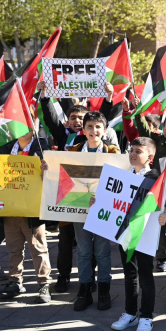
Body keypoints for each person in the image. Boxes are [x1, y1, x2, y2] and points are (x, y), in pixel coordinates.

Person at [60, 111, 118, 311]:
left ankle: (104, 290)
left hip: (104, 209)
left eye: (98, 127)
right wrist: (47, 168)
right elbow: (59, 176)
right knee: (84, 251)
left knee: (102, 251)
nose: (94, 131)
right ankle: (84, 290)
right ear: (83, 130)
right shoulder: (71, 151)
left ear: (105, 130)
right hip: (79, 206)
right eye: (90, 127)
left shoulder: (114, 153)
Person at [0, 131, 52, 303]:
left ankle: (44, 283)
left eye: (25, 124)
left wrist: (47, 168)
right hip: (12, 208)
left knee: (38, 248)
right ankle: (15, 280)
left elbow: (51, 173)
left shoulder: (41, 146)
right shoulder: (4, 148)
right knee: (13, 247)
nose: (21, 129)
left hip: (32, 210)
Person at [131, 94, 166, 272]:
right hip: (159, 189)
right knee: (159, 224)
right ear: (163, 127)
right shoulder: (156, 140)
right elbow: (142, 127)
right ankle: (161, 257)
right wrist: (137, 110)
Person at [110, 137, 160, 331]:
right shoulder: (124, 175)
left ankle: (146, 317)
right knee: (130, 274)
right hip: (125, 232)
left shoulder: (156, 178)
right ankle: (130, 313)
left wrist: (164, 214)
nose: (132, 154)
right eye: (131, 150)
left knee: (145, 275)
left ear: (150, 157)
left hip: (145, 233)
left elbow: (162, 203)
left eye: (138, 151)